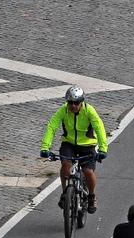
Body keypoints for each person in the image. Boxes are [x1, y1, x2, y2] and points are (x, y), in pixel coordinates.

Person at [40, 86, 108, 214]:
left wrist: (103, 149)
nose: (73, 106)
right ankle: (65, 193)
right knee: (66, 164)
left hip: (87, 145)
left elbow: (99, 128)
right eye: (70, 103)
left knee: (88, 171)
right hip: (69, 143)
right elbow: (51, 127)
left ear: (81, 102)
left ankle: (92, 196)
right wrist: (45, 147)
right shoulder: (63, 110)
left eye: (76, 103)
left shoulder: (89, 111)